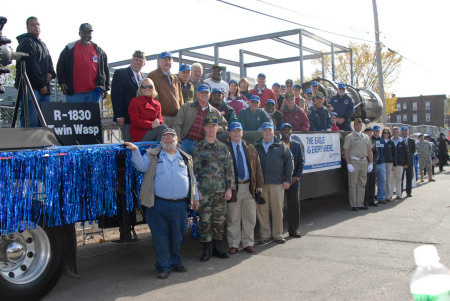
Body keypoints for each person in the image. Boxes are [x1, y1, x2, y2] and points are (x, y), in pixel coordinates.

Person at [124, 128, 199, 279]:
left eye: (171, 137)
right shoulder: (153, 155)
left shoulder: (185, 157)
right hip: (158, 204)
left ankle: (176, 262)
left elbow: (192, 179)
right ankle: (164, 266)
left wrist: (196, 197)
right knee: (160, 236)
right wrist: (135, 151)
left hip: (180, 205)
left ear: (177, 140)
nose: (168, 139)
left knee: (177, 236)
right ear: (161, 141)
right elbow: (142, 166)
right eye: (165, 137)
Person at [193, 116, 235, 261]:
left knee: (219, 220)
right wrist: (196, 190)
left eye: (213, 126)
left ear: (218, 128)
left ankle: (217, 247)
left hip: (220, 190)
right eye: (208, 126)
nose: (211, 129)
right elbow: (194, 172)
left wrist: (229, 189)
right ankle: (206, 249)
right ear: (204, 128)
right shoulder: (198, 148)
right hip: (204, 191)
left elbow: (229, 170)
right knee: (205, 220)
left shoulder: (223, 148)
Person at [225, 122, 264, 254]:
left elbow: (257, 167)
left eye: (239, 131)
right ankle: (234, 244)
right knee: (233, 218)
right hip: (234, 188)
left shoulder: (250, 148)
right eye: (234, 131)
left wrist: (259, 185)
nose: (236, 133)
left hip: (249, 187)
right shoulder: (226, 148)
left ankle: (248, 242)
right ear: (230, 133)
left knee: (250, 217)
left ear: (242, 133)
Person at [254, 122, 294, 243]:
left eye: (269, 130)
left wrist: (287, 180)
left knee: (277, 210)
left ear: (273, 132)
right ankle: (265, 235)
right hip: (261, 185)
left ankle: (277, 234)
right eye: (265, 130)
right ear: (262, 132)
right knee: (262, 211)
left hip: (277, 183)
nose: (267, 133)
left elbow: (289, 162)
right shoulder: (256, 146)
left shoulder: (281, 145)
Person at [15, 16, 56, 128]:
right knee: (31, 120)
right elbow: (30, 66)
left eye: (37, 24)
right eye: (32, 24)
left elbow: (49, 62)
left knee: (44, 122)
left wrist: (51, 74)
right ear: (27, 27)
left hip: (44, 87)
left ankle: (42, 144)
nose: (36, 27)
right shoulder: (25, 42)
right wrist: (41, 84)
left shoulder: (43, 44)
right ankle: (28, 144)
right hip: (31, 87)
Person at [57, 23, 109, 103]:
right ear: (79, 33)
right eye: (84, 32)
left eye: (89, 32)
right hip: (74, 93)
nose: (87, 34)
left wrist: (106, 87)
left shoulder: (98, 50)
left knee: (93, 115)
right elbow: (60, 66)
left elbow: (105, 69)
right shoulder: (70, 48)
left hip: (93, 93)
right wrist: (62, 82)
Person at [172, 84, 227, 154]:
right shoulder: (187, 106)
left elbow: (224, 124)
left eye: (206, 93)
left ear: (209, 95)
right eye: (202, 92)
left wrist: (217, 128)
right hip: (185, 141)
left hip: (203, 144)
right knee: (177, 154)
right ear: (197, 94)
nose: (204, 95)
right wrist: (177, 140)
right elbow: (177, 124)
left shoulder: (214, 112)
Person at [111, 50, 146, 142]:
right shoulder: (121, 74)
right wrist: (119, 115)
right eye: (136, 60)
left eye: (141, 61)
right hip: (127, 118)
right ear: (131, 60)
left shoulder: (144, 78)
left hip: (141, 119)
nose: (138, 63)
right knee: (129, 143)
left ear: (144, 64)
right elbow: (116, 96)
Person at [343, 118, 374, 211]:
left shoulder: (366, 137)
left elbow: (369, 150)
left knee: (362, 184)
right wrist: (348, 163)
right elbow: (346, 151)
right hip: (354, 161)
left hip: (364, 161)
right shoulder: (349, 137)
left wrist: (371, 163)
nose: (358, 126)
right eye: (356, 125)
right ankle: (354, 204)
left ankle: (360, 203)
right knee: (353, 184)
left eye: (360, 125)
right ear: (354, 126)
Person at [280, 123, 304, 238]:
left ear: (292, 132)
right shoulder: (276, 144)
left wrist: (297, 177)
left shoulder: (296, 145)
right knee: (278, 207)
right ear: (280, 132)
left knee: (294, 207)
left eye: (289, 130)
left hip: (294, 181)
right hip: (279, 181)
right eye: (284, 130)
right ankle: (277, 232)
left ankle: (293, 229)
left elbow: (301, 162)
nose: (287, 132)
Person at [147, 51, 183, 127]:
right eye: (164, 60)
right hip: (162, 117)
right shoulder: (152, 76)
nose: (167, 62)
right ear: (159, 62)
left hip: (176, 118)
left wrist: (182, 115)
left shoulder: (175, 78)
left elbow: (180, 98)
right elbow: (151, 98)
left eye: (169, 60)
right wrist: (157, 116)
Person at [391, 127, 409, 200]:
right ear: (392, 132)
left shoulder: (402, 142)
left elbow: (406, 153)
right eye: (394, 131)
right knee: (391, 180)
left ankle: (398, 194)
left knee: (399, 179)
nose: (395, 133)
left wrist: (406, 163)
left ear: (399, 133)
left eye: (397, 132)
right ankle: (390, 194)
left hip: (400, 163)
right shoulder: (390, 141)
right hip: (391, 164)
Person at [371, 125, 386, 205]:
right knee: (372, 181)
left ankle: (381, 197)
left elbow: (385, 152)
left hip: (381, 163)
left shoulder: (382, 141)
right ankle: (372, 197)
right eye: (375, 130)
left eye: (378, 130)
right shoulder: (370, 140)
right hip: (373, 164)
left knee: (382, 181)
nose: (377, 132)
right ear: (373, 131)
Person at [363, 127, 378, 208]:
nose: (369, 134)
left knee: (372, 184)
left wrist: (373, 163)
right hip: (364, 165)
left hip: (372, 166)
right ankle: (365, 201)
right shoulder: (362, 141)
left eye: (370, 132)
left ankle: (371, 200)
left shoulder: (373, 142)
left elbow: (376, 154)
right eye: (367, 132)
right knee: (366, 184)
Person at [401, 126, 415, 197]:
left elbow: (413, 151)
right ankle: (399, 192)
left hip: (409, 162)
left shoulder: (411, 141)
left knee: (409, 177)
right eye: (403, 131)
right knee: (401, 178)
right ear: (401, 132)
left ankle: (408, 192)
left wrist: (408, 160)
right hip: (401, 162)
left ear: (408, 132)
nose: (405, 132)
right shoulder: (400, 140)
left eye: (406, 131)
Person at [382, 128, 396, 202]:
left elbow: (394, 154)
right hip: (381, 162)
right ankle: (382, 195)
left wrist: (394, 164)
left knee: (389, 179)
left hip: (389, 162)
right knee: (382, 179)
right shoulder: (381, 141)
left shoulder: (391, 143)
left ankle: (389, 195)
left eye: (387, 133)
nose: (386, 134)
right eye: (384, 133)